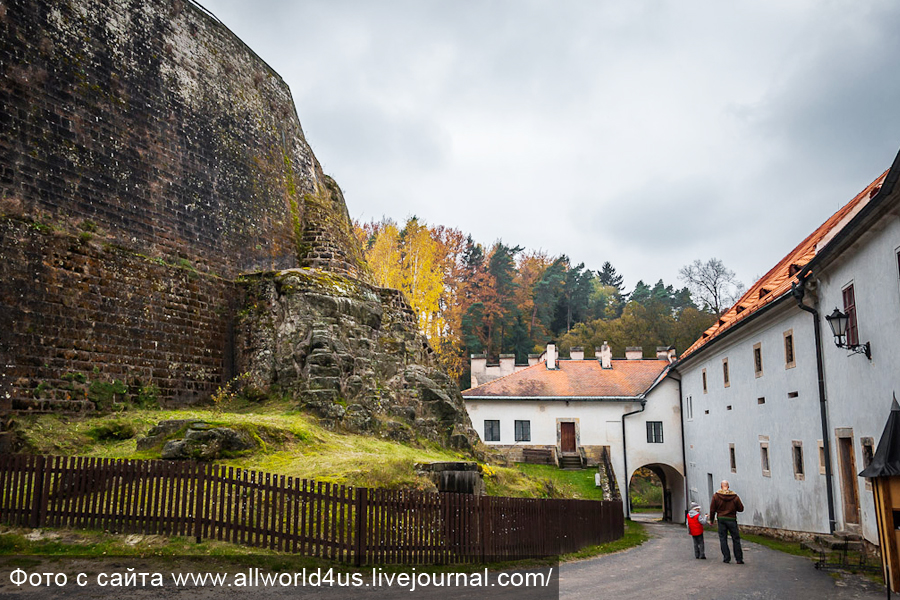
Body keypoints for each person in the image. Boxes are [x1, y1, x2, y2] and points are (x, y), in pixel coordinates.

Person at [708, 479, 744, 564]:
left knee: (723, 538)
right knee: (736, 539)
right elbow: (741, 509)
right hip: (732, 519)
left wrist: (711, 520)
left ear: (721, 486)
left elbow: (712, 509)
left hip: (721, 519)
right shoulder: (735, 497)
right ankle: (739, 559)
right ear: (728, 486)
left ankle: (726, 558)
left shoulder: (716, 496)